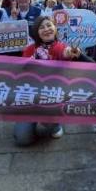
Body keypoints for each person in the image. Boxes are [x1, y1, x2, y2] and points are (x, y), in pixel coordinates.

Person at [13, 16, 82, 146]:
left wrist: (72, 51)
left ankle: (55, 125)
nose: (46, 29)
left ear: (55, 28)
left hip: (51, 97)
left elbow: (65, 53)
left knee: (48, 119)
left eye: (49, 25)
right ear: (36, 32)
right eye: (42, 27)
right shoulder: (29, 49)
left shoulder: (60, 46)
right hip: (31, 98)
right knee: (23, 140)